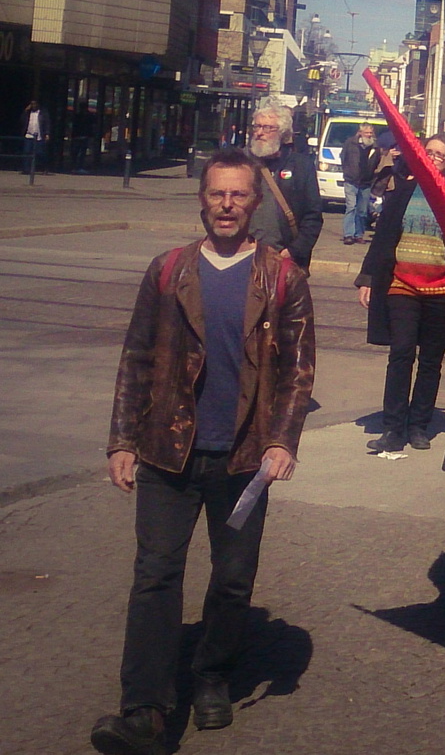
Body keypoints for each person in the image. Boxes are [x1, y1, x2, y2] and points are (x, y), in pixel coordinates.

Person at [92, 148, 315, 755]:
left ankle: (212, 675)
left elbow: (298, 369)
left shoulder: (282, 277)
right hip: (168, 449)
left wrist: (281, 439)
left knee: (233, 578)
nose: (227, 205)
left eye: (239, 195)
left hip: (244, 459)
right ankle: (145, 708)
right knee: (155, 577)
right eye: (217, 194)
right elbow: (137, 357)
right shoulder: (168, 270)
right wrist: (122, 439)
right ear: (202, 199)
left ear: (255, 202)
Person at [356, 133, 445, 455]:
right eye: (428, 153)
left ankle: (418, 425)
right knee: (401, 353)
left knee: (431, 360)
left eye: (439, 155)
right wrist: (368, 277)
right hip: (402, 286)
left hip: (442, 290)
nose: (433, 159)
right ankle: (393, 427)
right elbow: (382, 238)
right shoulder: (405, 193)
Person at [244, 106, 322, 267]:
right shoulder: (238, 161)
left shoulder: (301, 166)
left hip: (284, 259)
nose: (259, 132)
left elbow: (312, 216)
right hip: (243, 256)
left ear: (283, 133)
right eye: (257, 126)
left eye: (267, 128)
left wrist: (294, 251)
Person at [340, 124, 379, 245]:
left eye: (371, 133)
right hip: (351, 181)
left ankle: (359, 235)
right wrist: (348, 171)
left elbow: (378, 162)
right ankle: (348, 235)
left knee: (362, 211)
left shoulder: (375, 146)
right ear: (360, 132)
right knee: (351, 207)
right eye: (367, 133)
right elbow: (343, 157)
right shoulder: (350, 143)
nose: (369, 135)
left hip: (366, 182)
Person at [22, 100, 42, 171]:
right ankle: (26, 169)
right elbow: (22, 121)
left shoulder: (41, 113)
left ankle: (38, 167)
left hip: (38, 136)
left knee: (39, 153)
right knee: (27, 152)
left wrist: (47, 133)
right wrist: (25, 111)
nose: (33, 106)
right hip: (28, 135)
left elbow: (46, 123)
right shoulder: (28, 113)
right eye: (32, 104)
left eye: (34, 104)